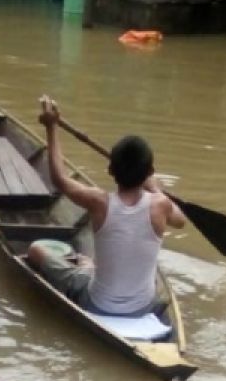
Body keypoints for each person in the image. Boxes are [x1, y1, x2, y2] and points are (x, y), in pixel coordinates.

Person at [28, 95, 185, 317]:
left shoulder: (99, 202)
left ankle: (87, 268)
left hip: (96, 304)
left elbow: (60, 179)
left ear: (111, 171)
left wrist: (52, 128)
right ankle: (89, 267)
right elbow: (181, 221)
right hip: (143, 308)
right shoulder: (161, 204)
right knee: (93, 265)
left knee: (36, 250)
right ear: (150, 173)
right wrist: (155, 188)